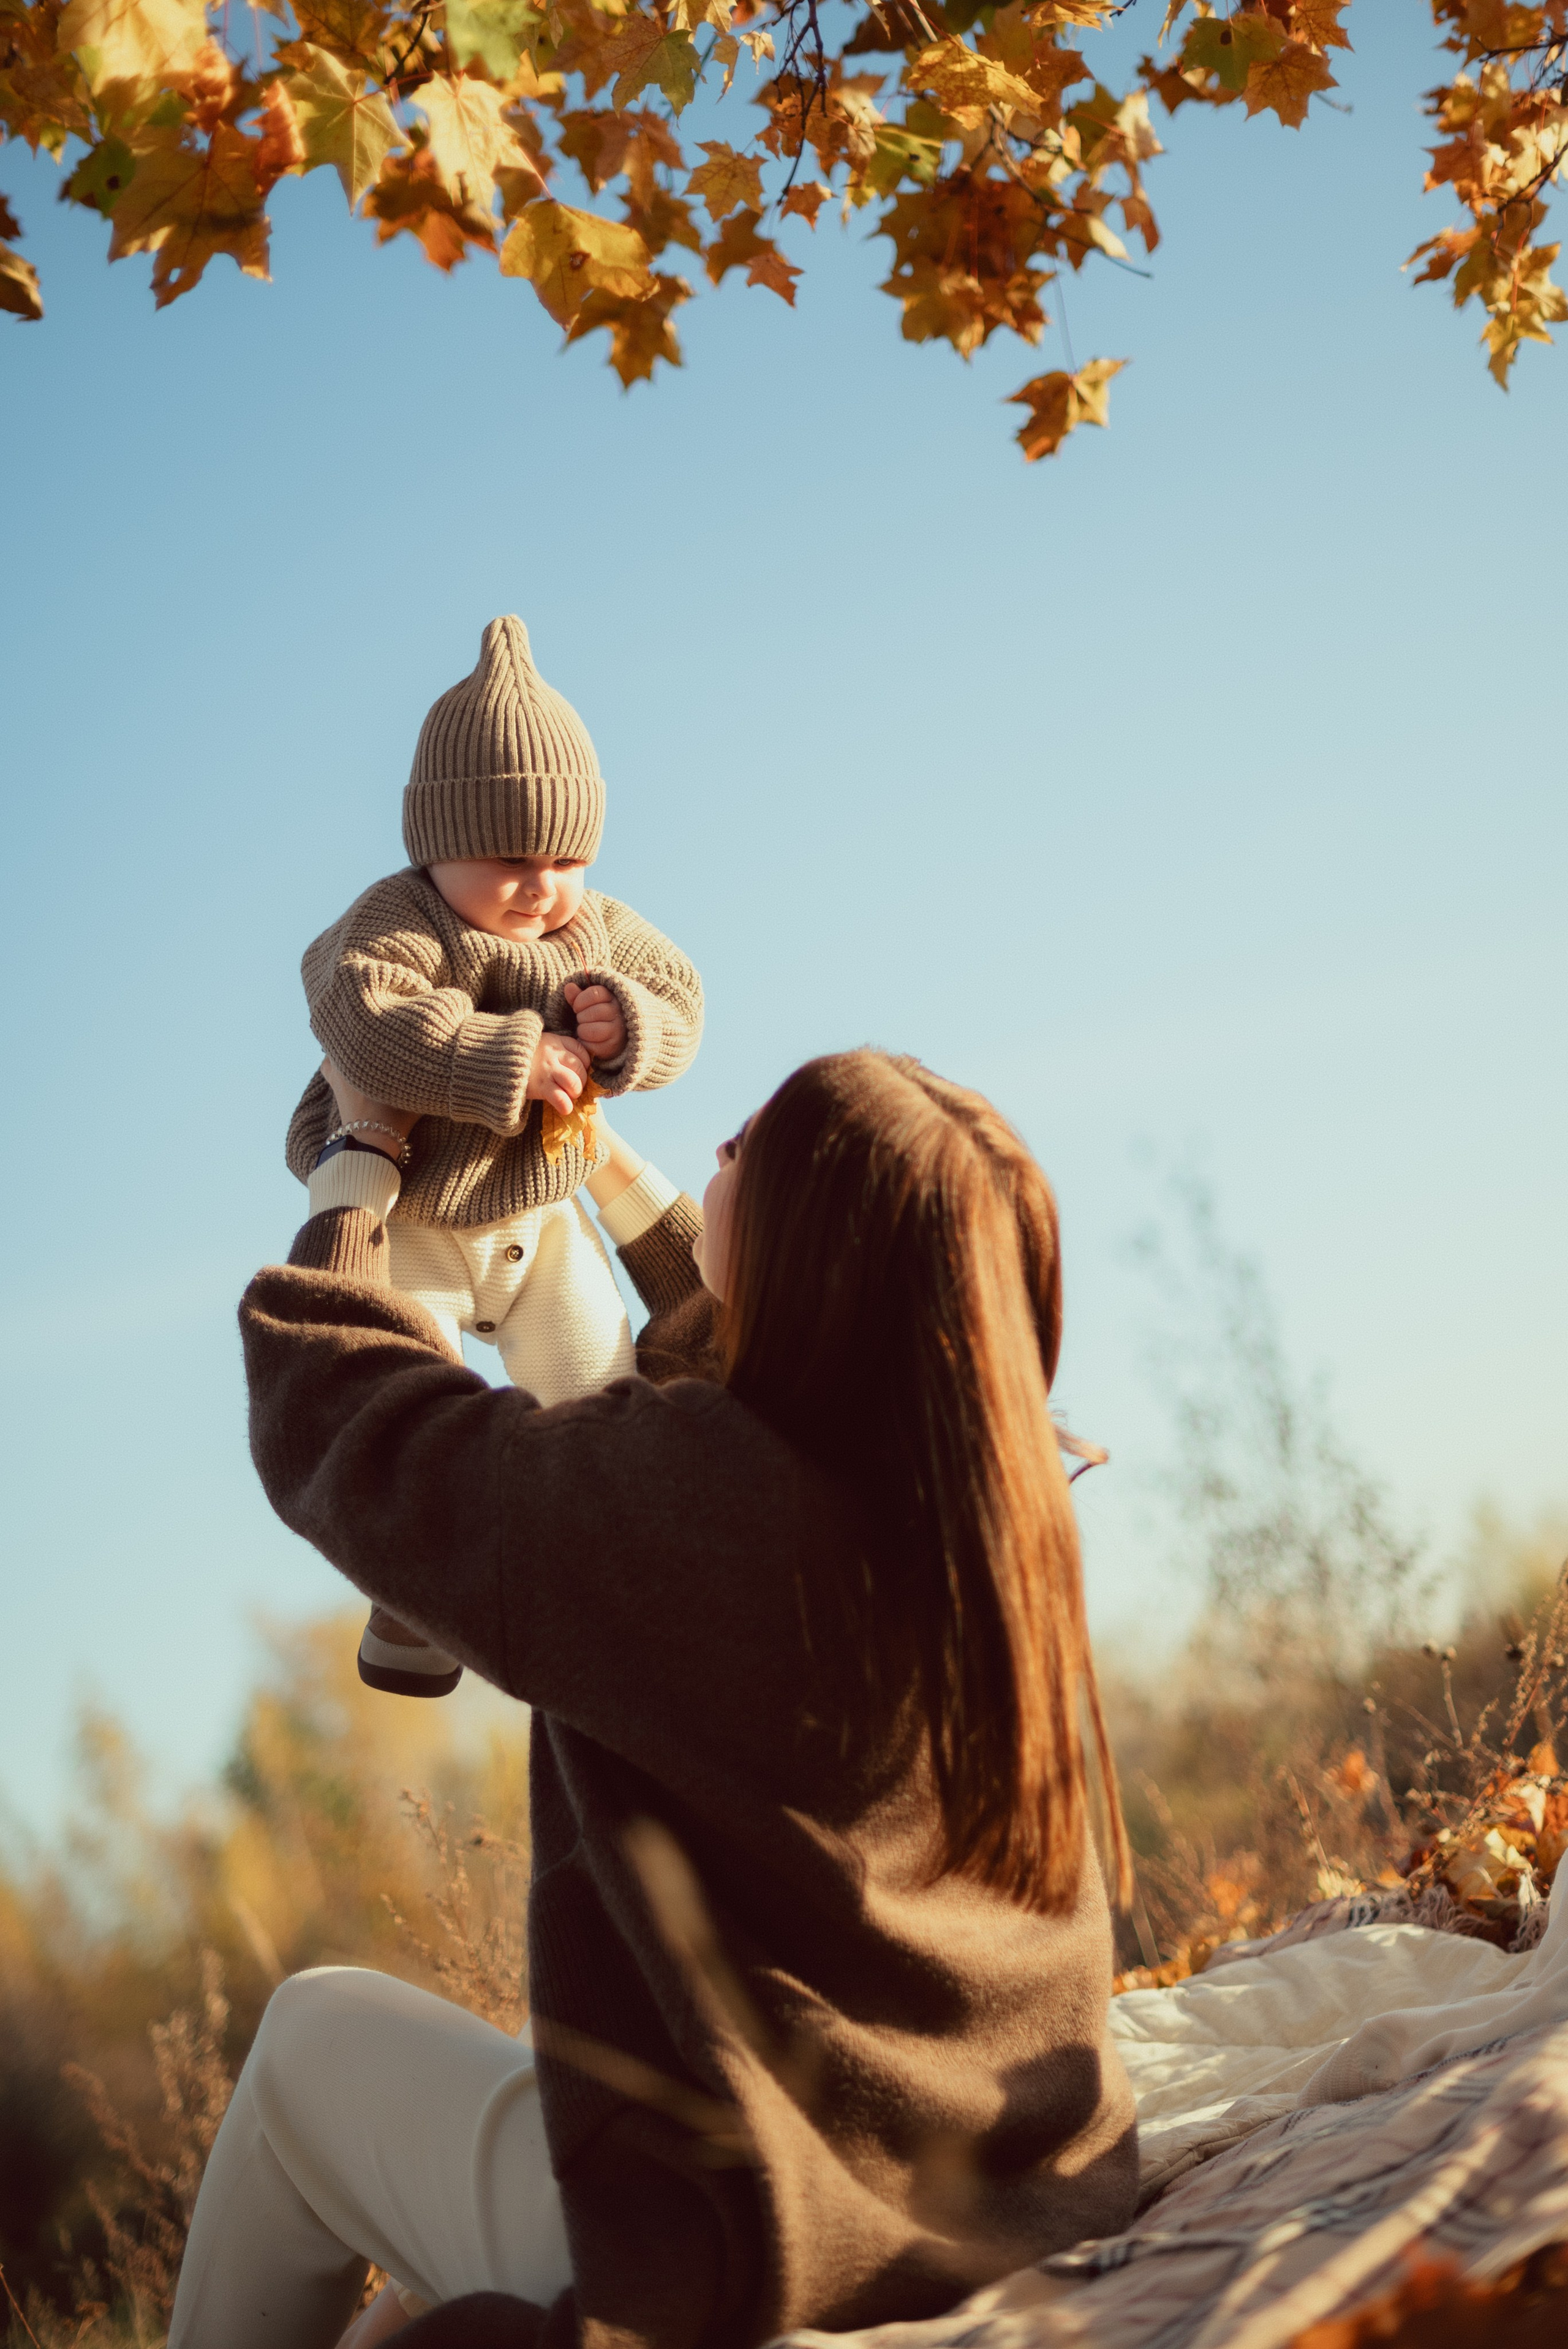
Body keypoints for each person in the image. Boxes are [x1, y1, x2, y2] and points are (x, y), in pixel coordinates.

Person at [171, 1050, 1138, 2349]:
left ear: (810, 1241)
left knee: (305, 2039)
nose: (709, 1164)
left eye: (737, 1148)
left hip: (767, 2230)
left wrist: (363, 1156)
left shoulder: (709, 1510)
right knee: (389, 2316)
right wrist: (603, 1163)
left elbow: (349, 1417)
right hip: (999, 2176)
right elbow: (747, 1364)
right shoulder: (1000, 1508)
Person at [284, 614, 703, 1697]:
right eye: (510, 859)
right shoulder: (401, 917)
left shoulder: (597, 926)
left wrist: (628, 1025)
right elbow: (360, 1016)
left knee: (595, 1384)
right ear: (435, 844)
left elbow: (686, 999)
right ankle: (415, 1610)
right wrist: (497, 1057)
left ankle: (611, 1575)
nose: (542, 886)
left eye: (567, 856)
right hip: (416, 1214)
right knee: (417, 1391)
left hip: (539, 1221)